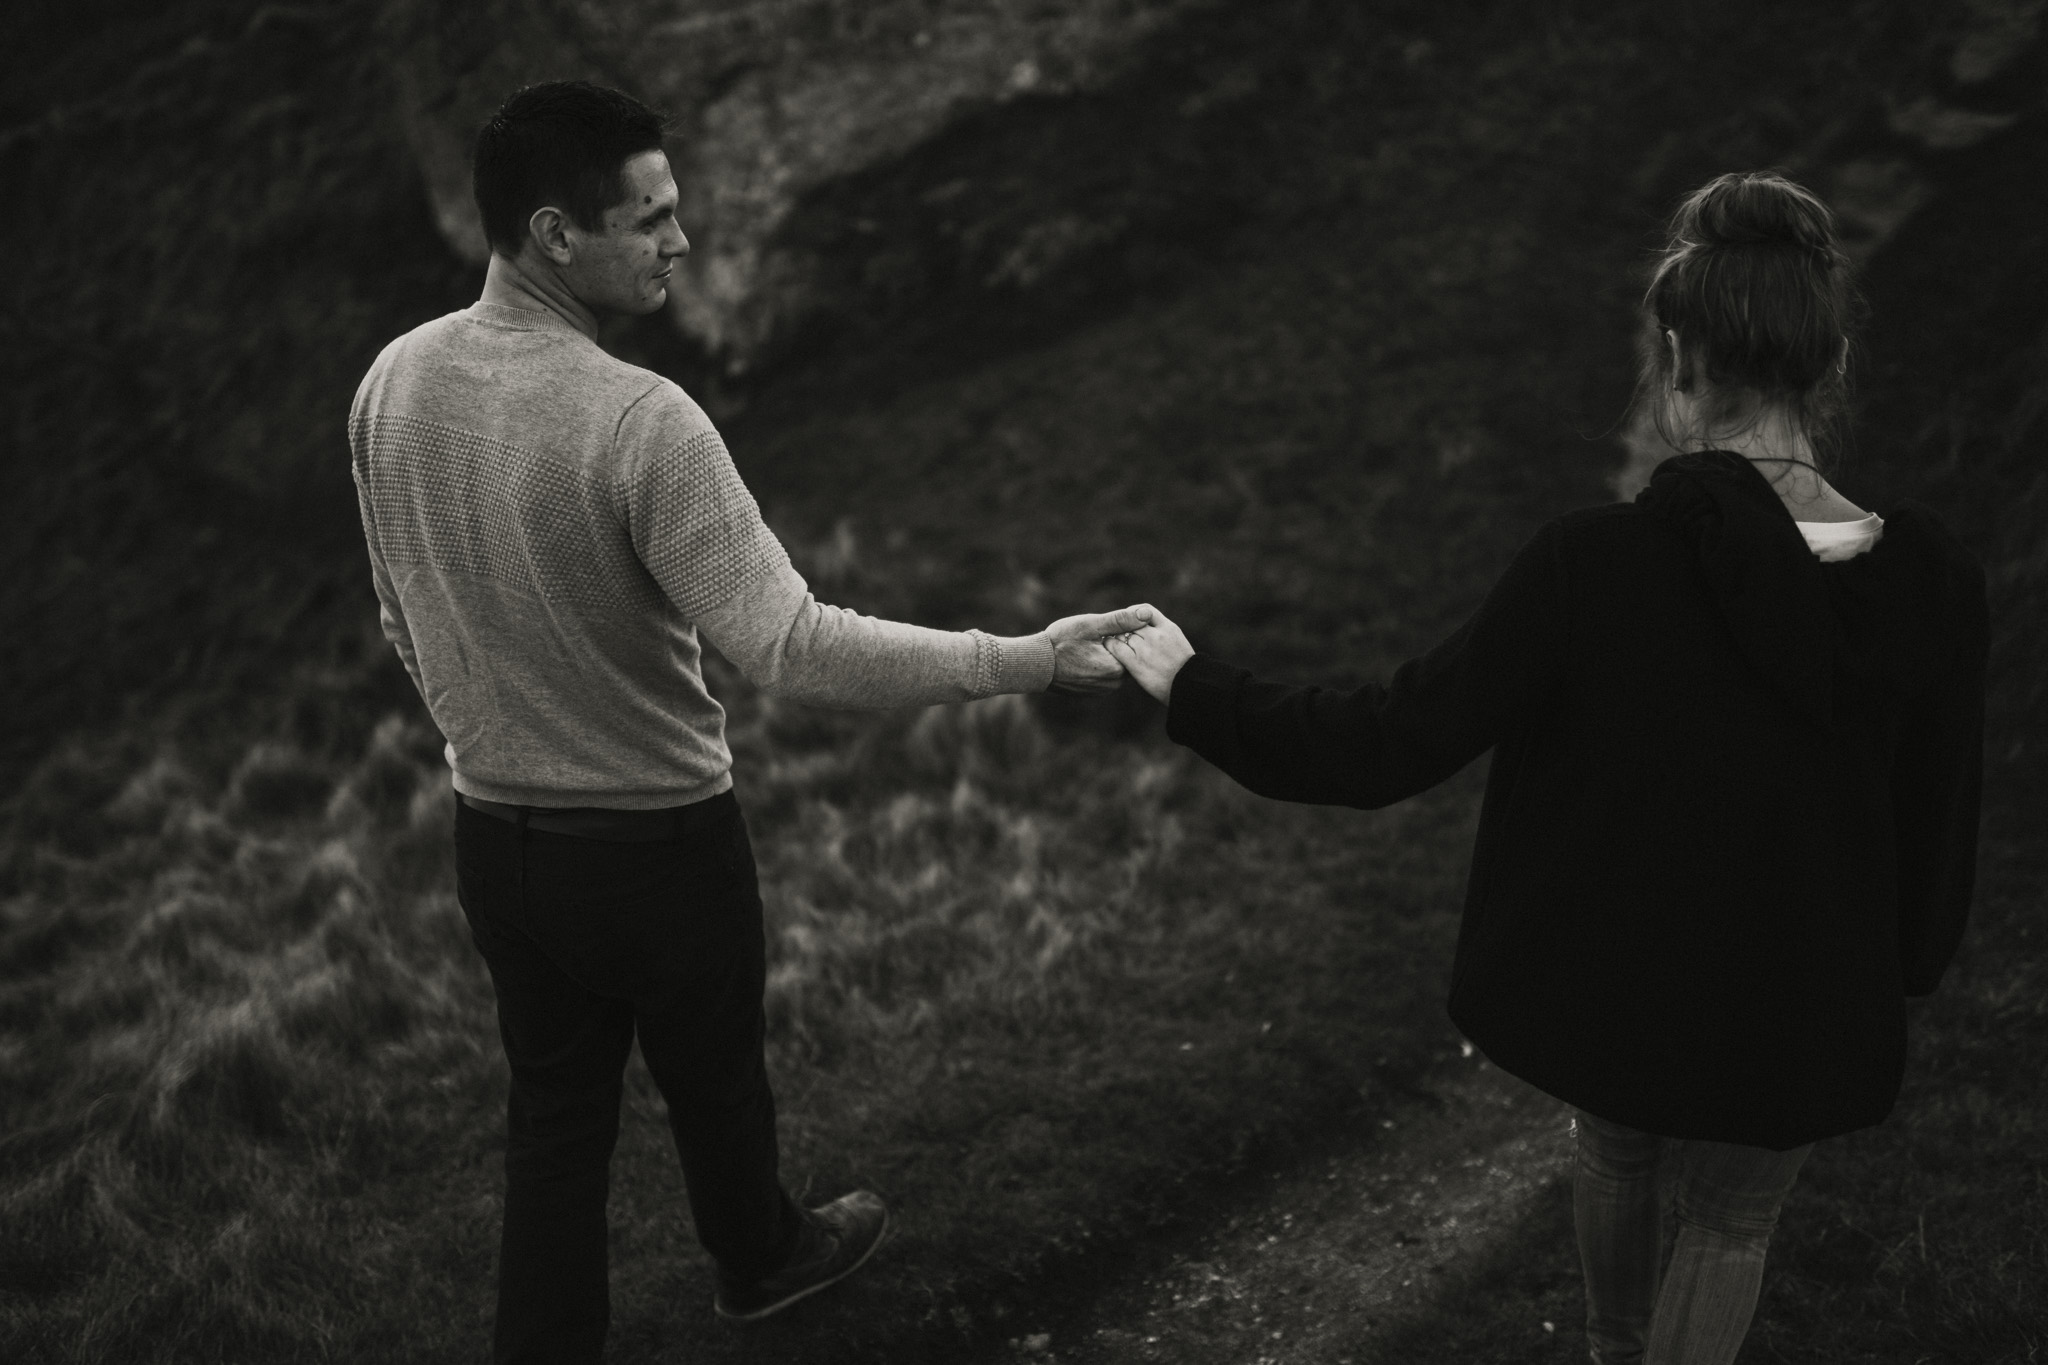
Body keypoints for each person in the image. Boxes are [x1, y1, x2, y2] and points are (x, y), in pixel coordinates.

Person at [1107, 171, 1987, 1365]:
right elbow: (1939, 820)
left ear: (1676, 357)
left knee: (1614, 1149)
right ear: (1822, 364)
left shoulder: (1594, 567)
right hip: (1805, 995)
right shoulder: (1930, 586)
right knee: (1730, 1222)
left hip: (1621, 982)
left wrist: (1194, 687)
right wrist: (1900, 974)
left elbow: (1386, 741)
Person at [348, 80, 1145, 1364]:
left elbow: (400, 612)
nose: (681, 243)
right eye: (649, 219)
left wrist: (486, 740)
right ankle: (763, 1261)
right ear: (556, 234)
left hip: (494, 839)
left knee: (554, 1121)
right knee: (714, 1079)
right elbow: (791, 643)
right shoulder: (639, 420)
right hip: (656, 845)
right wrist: (1027, 662)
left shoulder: (393, 381)